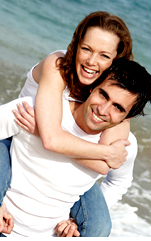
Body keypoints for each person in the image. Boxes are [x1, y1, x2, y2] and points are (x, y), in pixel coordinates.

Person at [0, 11, 134, 236]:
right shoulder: (57, 65)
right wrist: (40, 132)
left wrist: (40, 131)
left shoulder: (110, 95)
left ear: (116, 61)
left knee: (99, 227)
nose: (91, 62)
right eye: (86, 49)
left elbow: (103, 166)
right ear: (76, 43)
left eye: (104, 55)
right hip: (17, 140)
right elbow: (53, 139)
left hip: (61, 159)